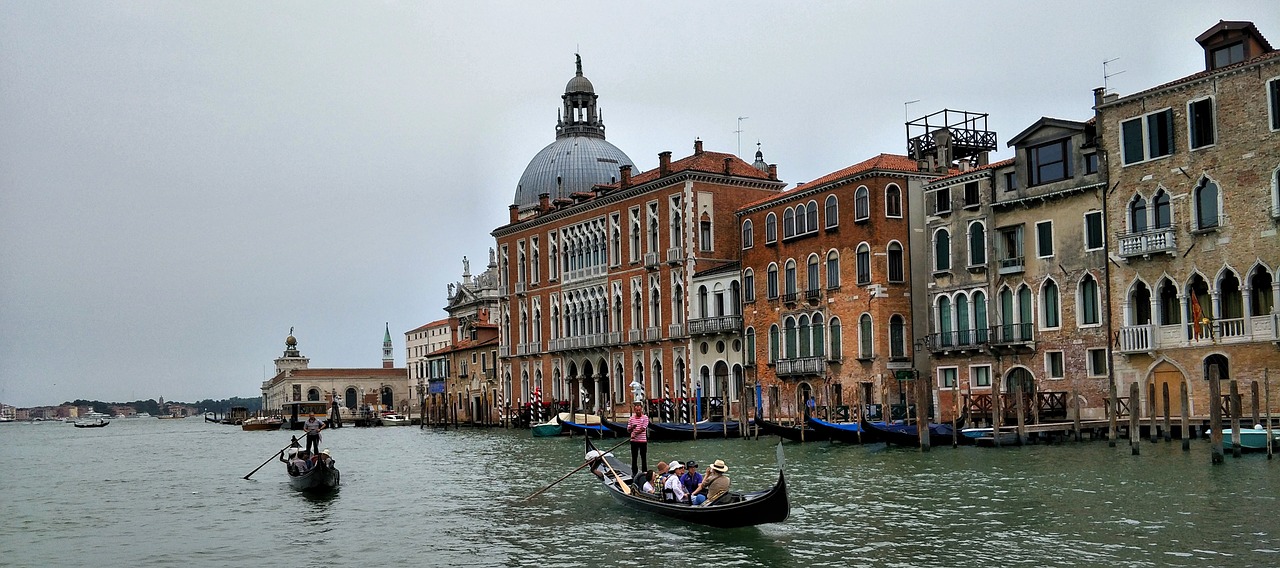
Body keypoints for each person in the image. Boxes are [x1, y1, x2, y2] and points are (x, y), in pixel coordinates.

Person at [626, 403, 649, 476]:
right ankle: (634, 473)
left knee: (643, 457)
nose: (638, 411)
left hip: (642, 441)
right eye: (637, 410)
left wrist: (635, 434)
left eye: (639, 410)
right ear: (634, 410)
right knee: (634, 457)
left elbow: (643, 429)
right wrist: (632, 427)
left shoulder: (645, 418)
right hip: (634, 441)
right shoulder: (631, 418)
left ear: (641, 409)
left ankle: (644, 473)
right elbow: (628, 430)